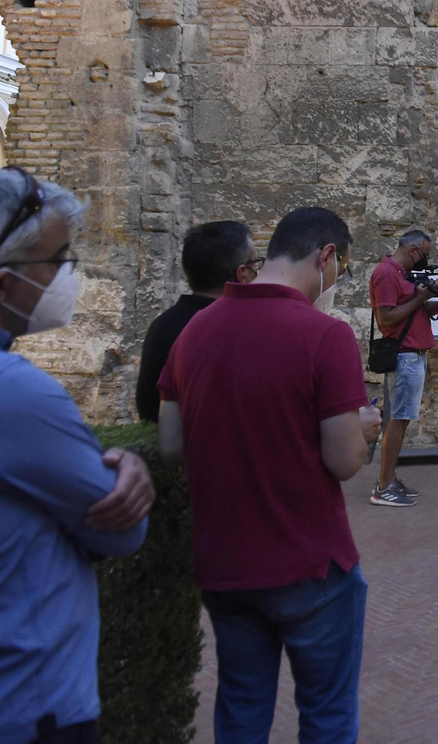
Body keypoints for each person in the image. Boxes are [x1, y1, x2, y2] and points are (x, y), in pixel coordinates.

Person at [158, 206, 382, 743]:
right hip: (310, 565)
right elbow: (344, 460)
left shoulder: (193, 331)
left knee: (241, 709)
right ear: (326, 256)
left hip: (226, 565)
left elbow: (171, 445)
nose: (338, 278)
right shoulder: (324, 336)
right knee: (327, 717)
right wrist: (363, 428)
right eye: (343, 268)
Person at [0, 167, 153, 744]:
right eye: (57, 259)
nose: (68, 274)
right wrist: (127, 468)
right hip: (21, 705)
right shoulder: (6, 391)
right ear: (0, 286)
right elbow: (119, 526)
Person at [135, 220, 261, 422]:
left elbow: (148, 410)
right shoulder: (239, 331)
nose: (258, 274)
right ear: (242, 274)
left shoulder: (162, 325)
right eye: (255, 265)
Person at [368, 228, 438, 507]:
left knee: (402, 419)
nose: (425, 260)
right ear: (412, 251)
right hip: (405, 356)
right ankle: (383, 488)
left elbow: (417, 311)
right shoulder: (386, 274)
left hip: (413, 355)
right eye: (424, 255)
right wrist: (419, 297)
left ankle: (389, 480)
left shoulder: (400, 274)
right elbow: (386, 318)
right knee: (398, 420)